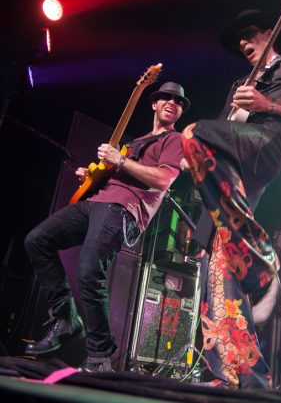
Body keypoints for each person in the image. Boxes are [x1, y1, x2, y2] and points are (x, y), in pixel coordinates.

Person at [181, 10, 281, 388]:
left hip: (264, 148)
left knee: (194, 131)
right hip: (231, 170)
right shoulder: (240, 82)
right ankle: (238, 376)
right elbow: (224, 130)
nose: (243, 45)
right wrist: (191, 155)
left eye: (248, 36)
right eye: (238, 43)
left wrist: (266, 104)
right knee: (215, 264)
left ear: (268, 32)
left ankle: (260, 261)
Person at [24, 82, 189, 372]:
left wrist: (120, 160)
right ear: (153, 104)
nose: (171, 103)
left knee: (89, 269)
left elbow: (162, 181)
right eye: (165, 97)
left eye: (178, 101)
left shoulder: (174, 141)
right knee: (37, 240)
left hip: (124, 209)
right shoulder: (138, 141)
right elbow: (115, 174)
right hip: (97, 202)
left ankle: (99, 356)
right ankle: (65, 318)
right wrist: (91, 175)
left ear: (179, 111)